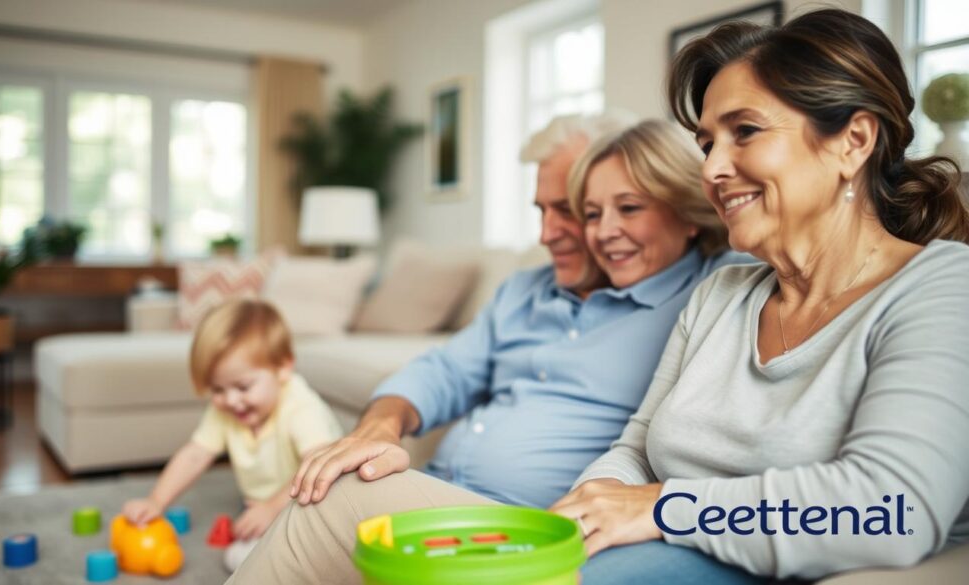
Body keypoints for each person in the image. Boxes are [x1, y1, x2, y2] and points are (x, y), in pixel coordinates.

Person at [228, 114, 751, 583]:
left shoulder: (705, 292)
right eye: (586, 212)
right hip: (439, 487)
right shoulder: (524, 290)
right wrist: (379, 426)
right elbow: (443, 371)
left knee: (337, 503)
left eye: (567, 209)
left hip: (523, 521)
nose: (549, 233)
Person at [550, 9, 969, 584]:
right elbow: (637, 451)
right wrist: (578, 516)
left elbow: (893, 508)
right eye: (707, 144)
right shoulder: (720, 294)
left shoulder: (944, 287)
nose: (714, 169)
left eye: (744, 131)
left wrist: (659, 508)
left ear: (853, 141)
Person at [122, 299, 342, 545]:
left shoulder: (301, 407)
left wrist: (271, 508)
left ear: (283, 367)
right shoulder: (226, 409)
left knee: (250, 560)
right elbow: (195, 454)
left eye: (243, 386)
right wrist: (156, 500)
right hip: (264, 504)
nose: (231, 400)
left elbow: (318, 465)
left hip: (315, 500)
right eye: (217, 389)